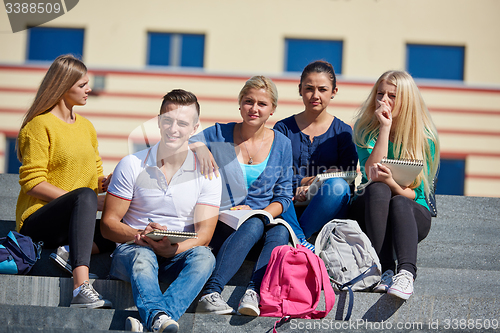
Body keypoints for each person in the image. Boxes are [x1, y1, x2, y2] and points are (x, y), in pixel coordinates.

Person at [101, 89, 222, 333]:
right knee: (143, 256)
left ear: (194, 127)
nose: (173, 129)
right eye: (168, 120)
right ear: (158, 121)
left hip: (178, 252)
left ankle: (153, 320)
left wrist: (172, 247)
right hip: (133, 250)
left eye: (182, 123)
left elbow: (205, 235)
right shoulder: (132, 164)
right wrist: (141, 236)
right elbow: (108, 225)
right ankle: (158, 318)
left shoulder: (207, 173)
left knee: (205, 257)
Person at [190, 76, 294, 317]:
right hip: (222, 223)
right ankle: (211, 291)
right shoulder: (220, 133)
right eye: (248, 101)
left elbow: (284, 196)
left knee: (278, 230)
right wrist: (201, 147)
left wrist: (264, 214)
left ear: (272, 109)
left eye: (262, 104)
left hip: (260, 224)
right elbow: (185, 142)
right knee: (257, 223)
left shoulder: (283, 144)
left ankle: (253, 292)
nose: (254, 109)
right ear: (240, 104)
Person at [15, 54, 114, 309]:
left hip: (74, 220)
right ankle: (81, 287)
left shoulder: (87, 127)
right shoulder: (39, 126)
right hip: (38, 222)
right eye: (82, 85)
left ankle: (69, 252)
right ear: (62, 86)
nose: (89, 89)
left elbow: (93, 178)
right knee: (83, 197)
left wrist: (107, 183)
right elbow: (32, 182)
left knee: (120, 227)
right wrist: (80, 201)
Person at [349, 70, 440, 300]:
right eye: (380, 94)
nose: (384, 101)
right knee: (378, 187)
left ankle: (406, 274)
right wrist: (384, 128)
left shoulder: (425, 138)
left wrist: (392, 183)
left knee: (398, 200)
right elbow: (370, 173)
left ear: (406, 100)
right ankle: (384, 269)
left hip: (410, 211)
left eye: (392, 96)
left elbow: (414, 193)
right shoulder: (364, 129)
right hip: (372, 207)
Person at [274, 60, 358, 250]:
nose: (315, 95)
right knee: (275, 186)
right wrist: (302, 182)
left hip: (328, 204)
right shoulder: (283, 128)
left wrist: (323, 180)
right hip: (289, 203)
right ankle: (302, 242)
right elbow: (276, 171)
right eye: (309, 88)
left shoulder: (343, 132)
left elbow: (349, 177)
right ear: (300, 90)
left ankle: (296, 237)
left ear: (334, 92)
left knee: (338, 186)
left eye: (322, 89)